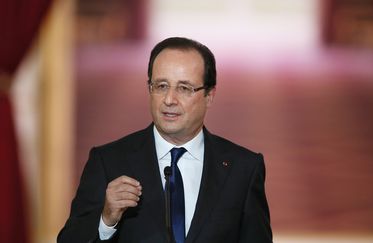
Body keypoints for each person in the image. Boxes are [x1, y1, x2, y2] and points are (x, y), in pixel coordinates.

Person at [58, 37, 272, 243]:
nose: (169, 100)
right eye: (161, 86)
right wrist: (106, 221)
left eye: (184, 88)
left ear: (209, 96)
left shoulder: (243, 168)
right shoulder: (108, 161)